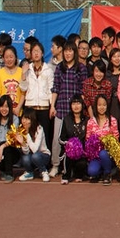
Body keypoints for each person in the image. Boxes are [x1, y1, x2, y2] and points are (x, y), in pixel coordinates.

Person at [49, 41, 88, 177]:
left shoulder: (81, 68)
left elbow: (83, 90)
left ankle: (75, 167)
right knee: (57, 139)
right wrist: (52, 106)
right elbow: (55, 88)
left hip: (76, 111)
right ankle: (55, 165)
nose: (68, 53)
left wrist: (82, 108)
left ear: (74, 52)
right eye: (66, 51)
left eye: (71, 50)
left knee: (76, 139)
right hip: (61, 108)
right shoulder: (59, 68)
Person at [20, 41, 54, 157]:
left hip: (44, 107)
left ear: (42, 53)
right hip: (30, 107)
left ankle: (46, 161)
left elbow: (50, 89)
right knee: (29, 134)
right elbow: (23, 88)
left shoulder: (48, 69)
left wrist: (52, 106)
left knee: (45, 135)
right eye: (33, 51)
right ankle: (28, 161)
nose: (36, 54)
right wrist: (23, 74)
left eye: (38, 51)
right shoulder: (27, 68)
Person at [86, 94, 118, 185]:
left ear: (107, 106)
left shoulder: (112, 120)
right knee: (92, 172)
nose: (102, 107)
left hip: (108, 154)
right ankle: (101, 172)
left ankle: (107, 174)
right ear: (96, 106)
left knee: (103, 153)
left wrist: (108, 144)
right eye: (99, 105)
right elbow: (87, 139)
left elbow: (116, 138)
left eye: (104, 105)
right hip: (95, 155)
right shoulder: (91, 121)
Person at [0, 95, 21, 182]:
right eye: (2, 106)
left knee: (6, 147)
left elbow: (12, 139)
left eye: (6, 107)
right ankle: (4, 169)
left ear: (10, 108)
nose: (4, 109)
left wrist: (2, 147)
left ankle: (9, 174)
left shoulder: (15, 119)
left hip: (12, 150)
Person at [60, 95, 88, 185]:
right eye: (73, 103)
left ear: (82, 105)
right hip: (69, 151)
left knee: (83, 163)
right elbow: (61, 138)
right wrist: (70, 144)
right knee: (67, 155)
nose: (76, 106)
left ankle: (79, 174)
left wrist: (82, 148)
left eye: (78, 103)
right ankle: (66, 176)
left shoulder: (86, 120)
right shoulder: (66, 119)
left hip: (82, 151)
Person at [18, 108, 52, 182]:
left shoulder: (39, 129)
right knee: (25, 158)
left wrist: (27, 134)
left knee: (35, 156)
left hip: (43, 155)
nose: (24, 121)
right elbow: (26, 152)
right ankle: (29, 172)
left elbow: (35, 149)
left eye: (27, 119)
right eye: (23, 118)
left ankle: (44, 171)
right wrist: (23, 143)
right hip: (31, 156)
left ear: (32, 120)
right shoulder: (21, 130)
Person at [0, 46, 24, 115]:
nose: (9, 59)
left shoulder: (21, 72)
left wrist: (18, 108)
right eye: (6, 57)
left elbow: (23, 93)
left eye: (11, 57)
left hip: (17, 111)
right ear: (3, 58)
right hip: (3, 112)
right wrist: (5, 107)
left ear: (15, 58)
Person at [106, 48, 120, 135]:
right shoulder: (107, 74)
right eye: (114, 56)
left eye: (118, 56)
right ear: (110, 59)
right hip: (112, 103)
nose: (117, 59)